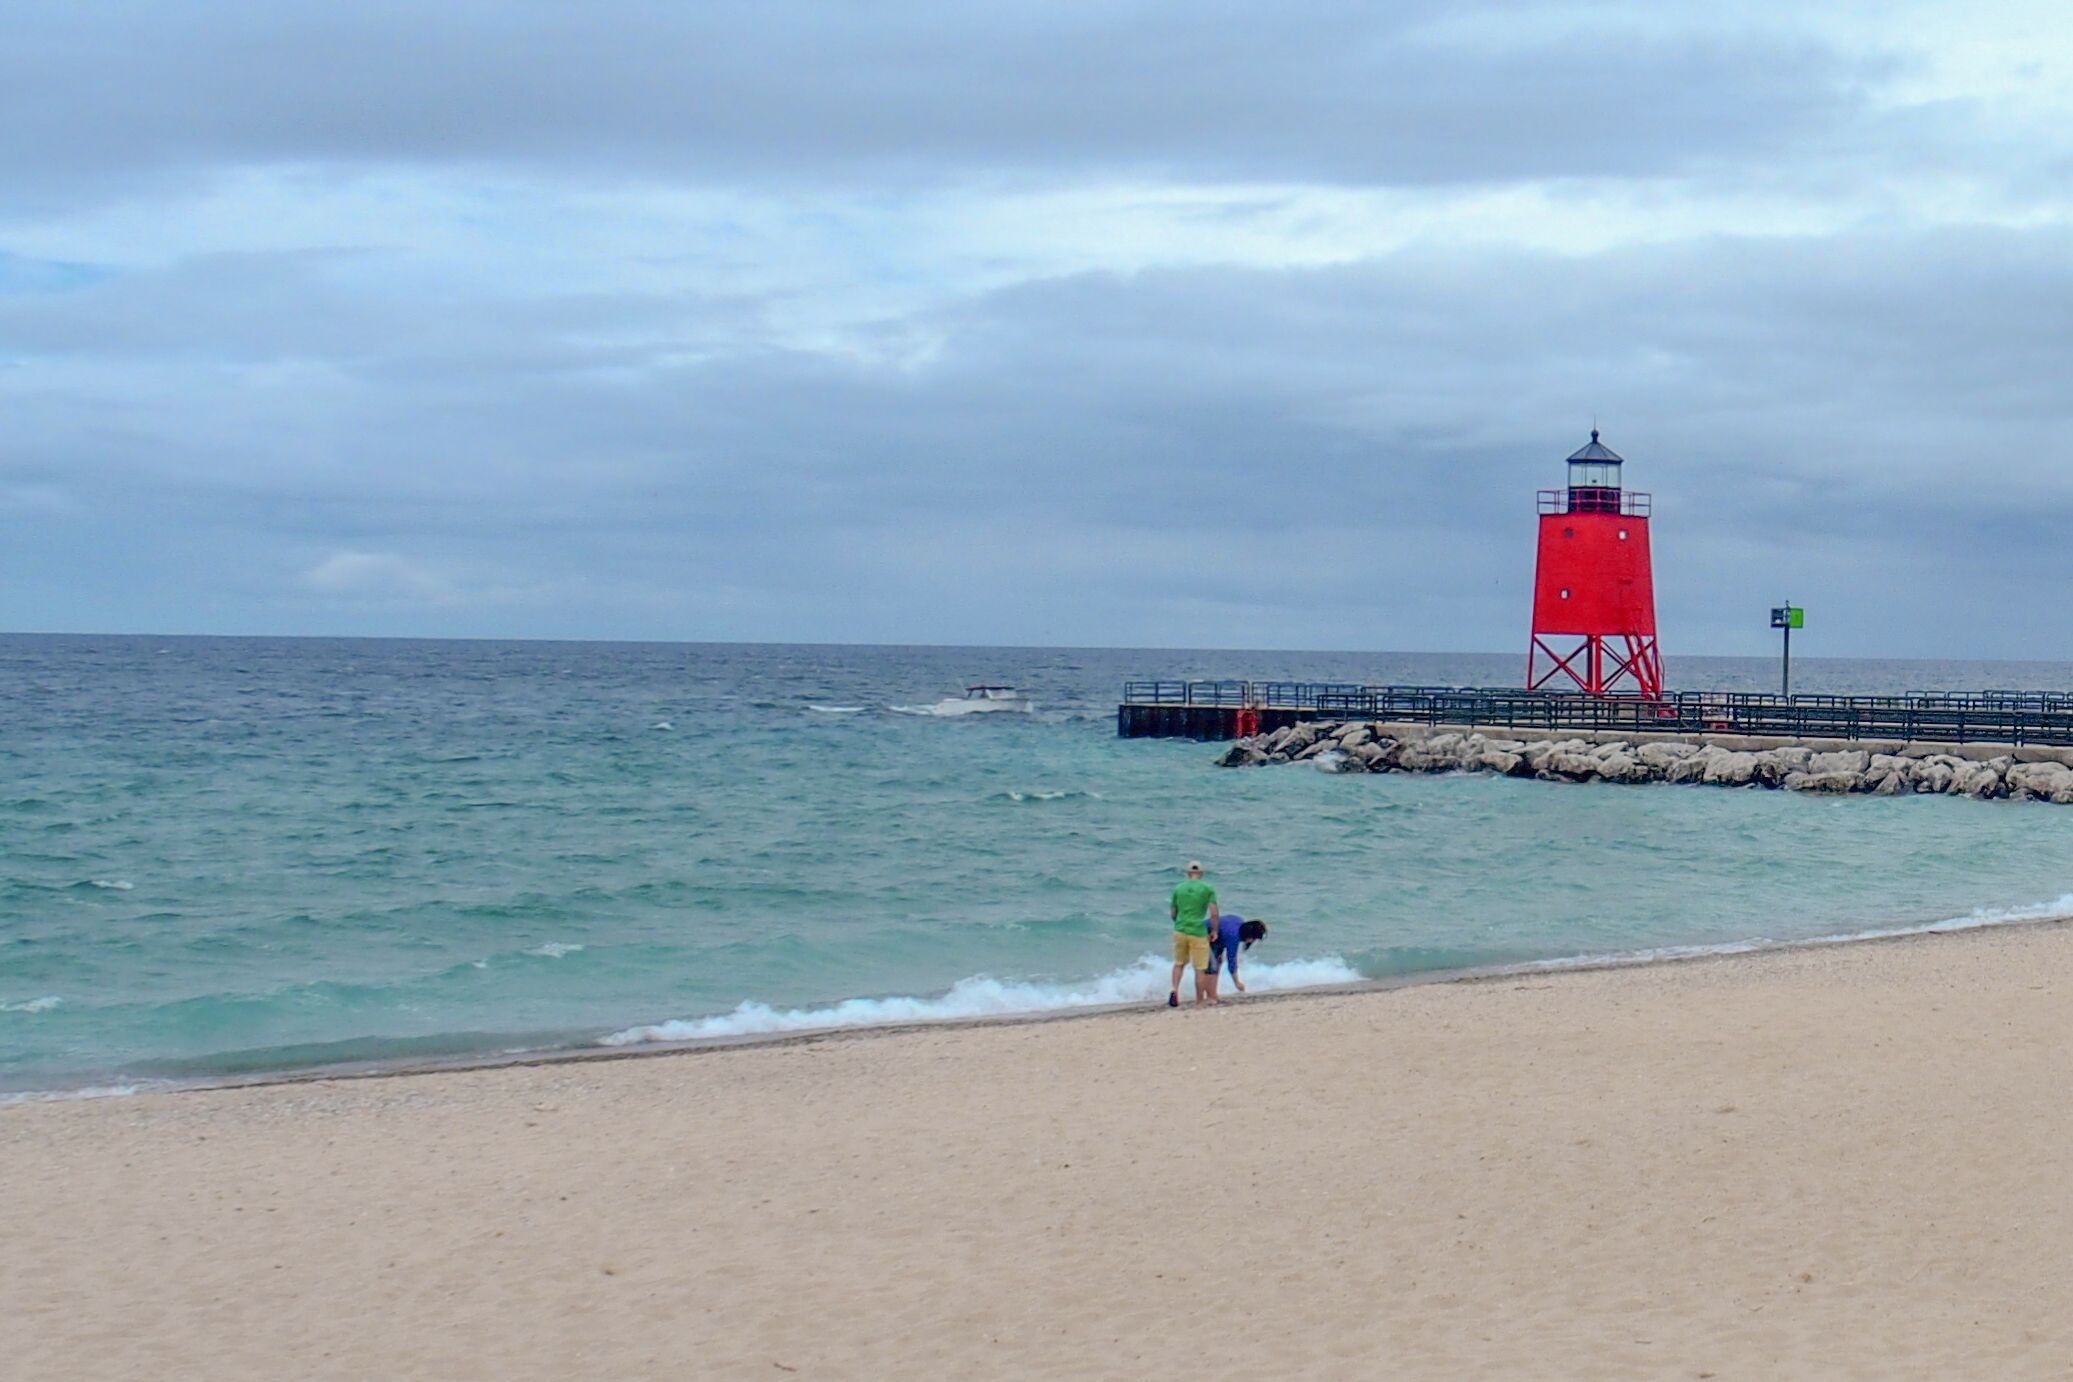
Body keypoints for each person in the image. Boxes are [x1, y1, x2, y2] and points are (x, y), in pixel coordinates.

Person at [1167, 860, 1219, 1008]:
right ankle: (1199, 1001)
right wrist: (1214, 930)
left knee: (1179, 963)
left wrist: (1178, 922)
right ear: (1201, 873)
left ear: (1188, 873)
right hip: (1197, 931)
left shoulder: (1178, 888)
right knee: (1200, 968)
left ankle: (1174, 990)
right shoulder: (1207, 888)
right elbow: (1214, 913)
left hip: (1180, 930)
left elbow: (1173, 912)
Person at [1205, 915, 1269, 1003]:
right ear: (1249, 935)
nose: (1252, 941)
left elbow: (1223, 932)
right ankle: (1210, 997)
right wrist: (1237, 983)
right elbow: (1231, 961)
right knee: (1212, 967)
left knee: (1217, 963)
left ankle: (1213, 995)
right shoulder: (1233, 936)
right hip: (1203, 934)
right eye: (1253, 939)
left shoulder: (1239, 922)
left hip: (1215, 937)